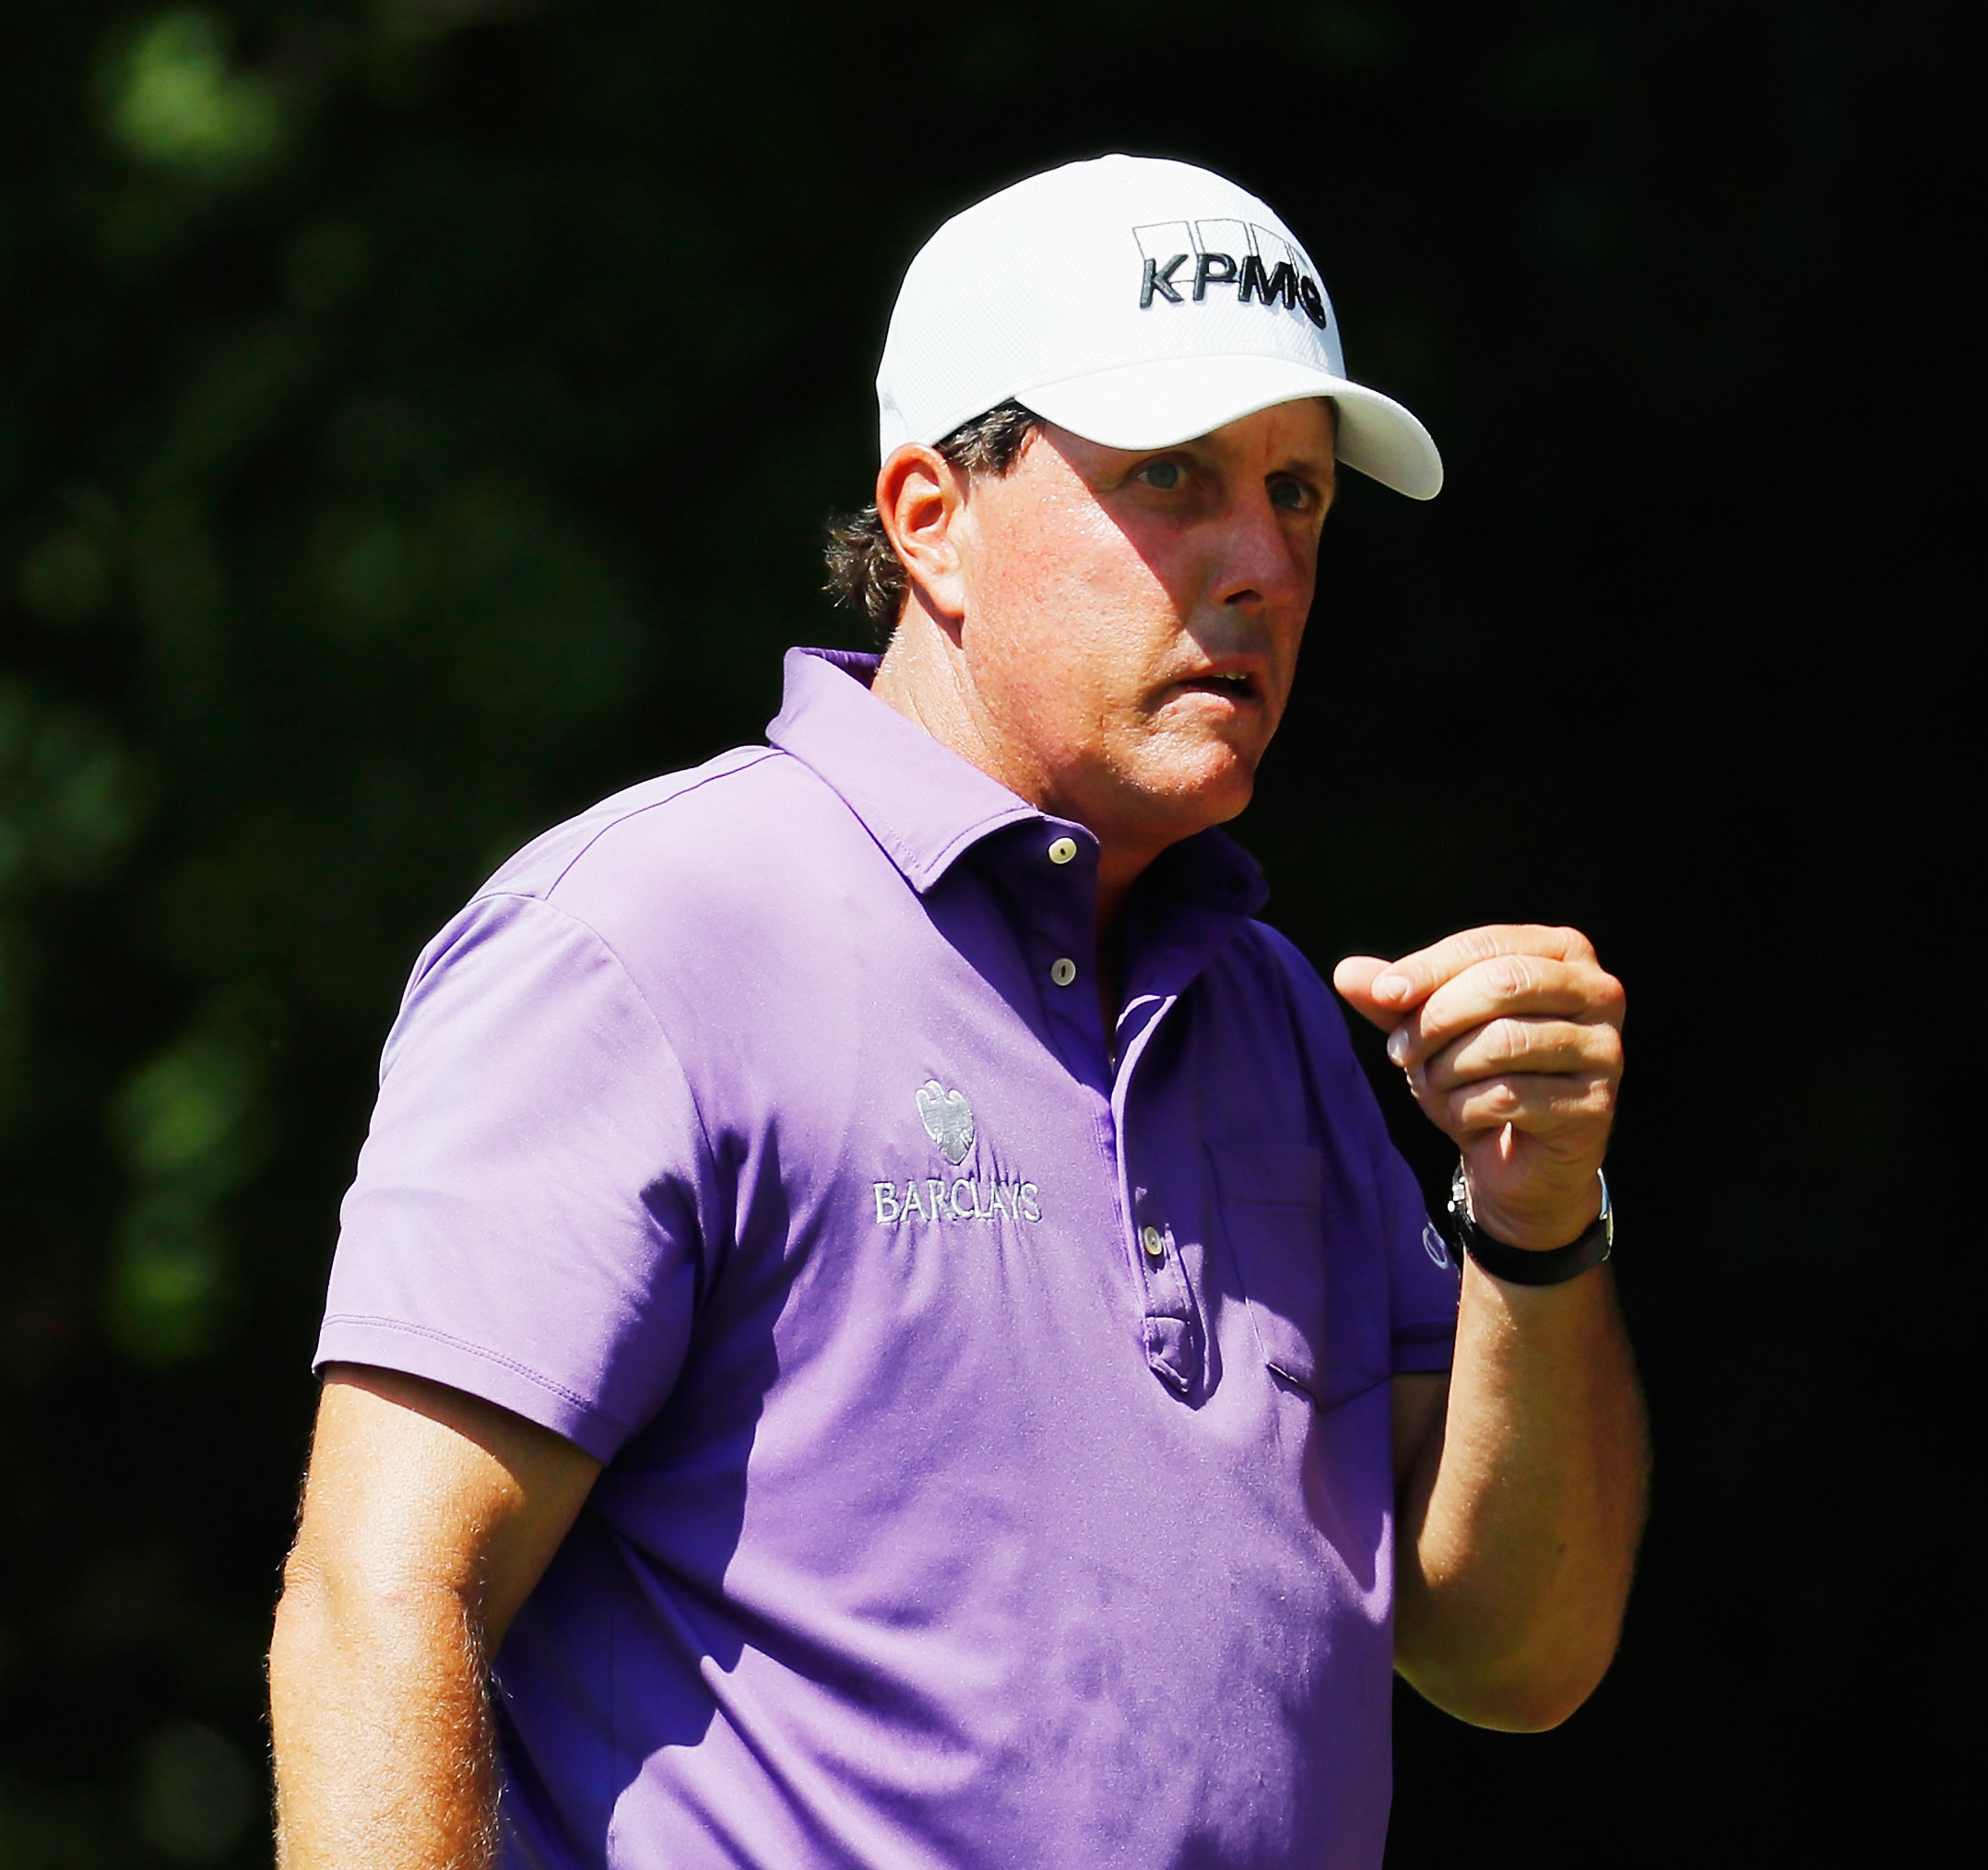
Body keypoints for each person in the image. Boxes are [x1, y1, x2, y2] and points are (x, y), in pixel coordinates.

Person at [268, 154, 1647, 1869]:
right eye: (1173, 475)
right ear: (932, 517)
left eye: (1298, 496)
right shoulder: (642, 937)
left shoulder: (1276, 1014)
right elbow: (382, 1600)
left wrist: (1534, 1219)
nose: (1262, 564)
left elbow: (1516, 1655)